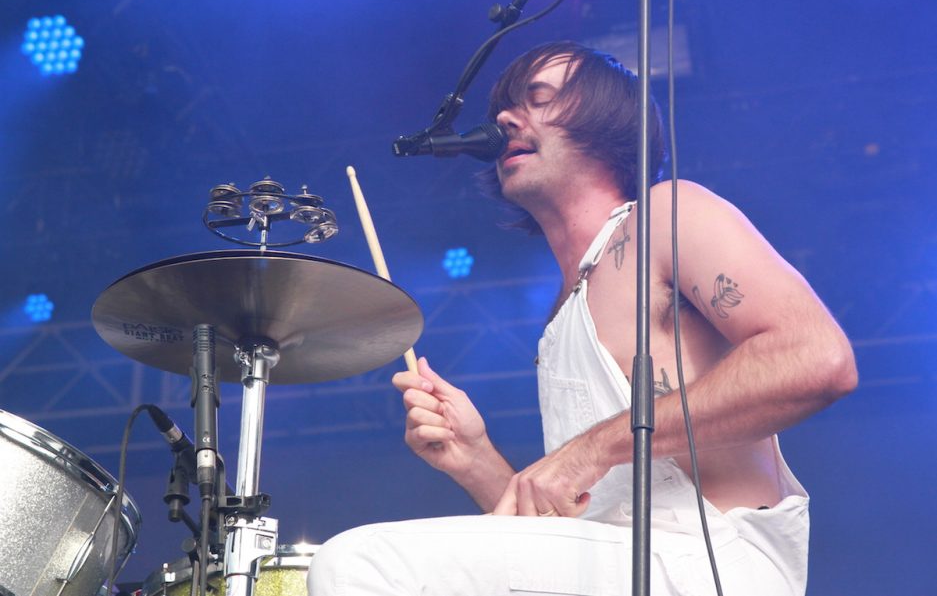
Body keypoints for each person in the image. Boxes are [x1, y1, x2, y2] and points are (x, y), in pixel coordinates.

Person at [307, 41, 857, 596]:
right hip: (631, 567)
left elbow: (817, 358)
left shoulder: (666, 214)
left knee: (358, 564)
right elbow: (571, 536)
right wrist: (475, 460)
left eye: (539, 98)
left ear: (609, 120)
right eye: (504, 107)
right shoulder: (562, 312)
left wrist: (592, 448)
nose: (504, 118)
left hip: (713, 562)